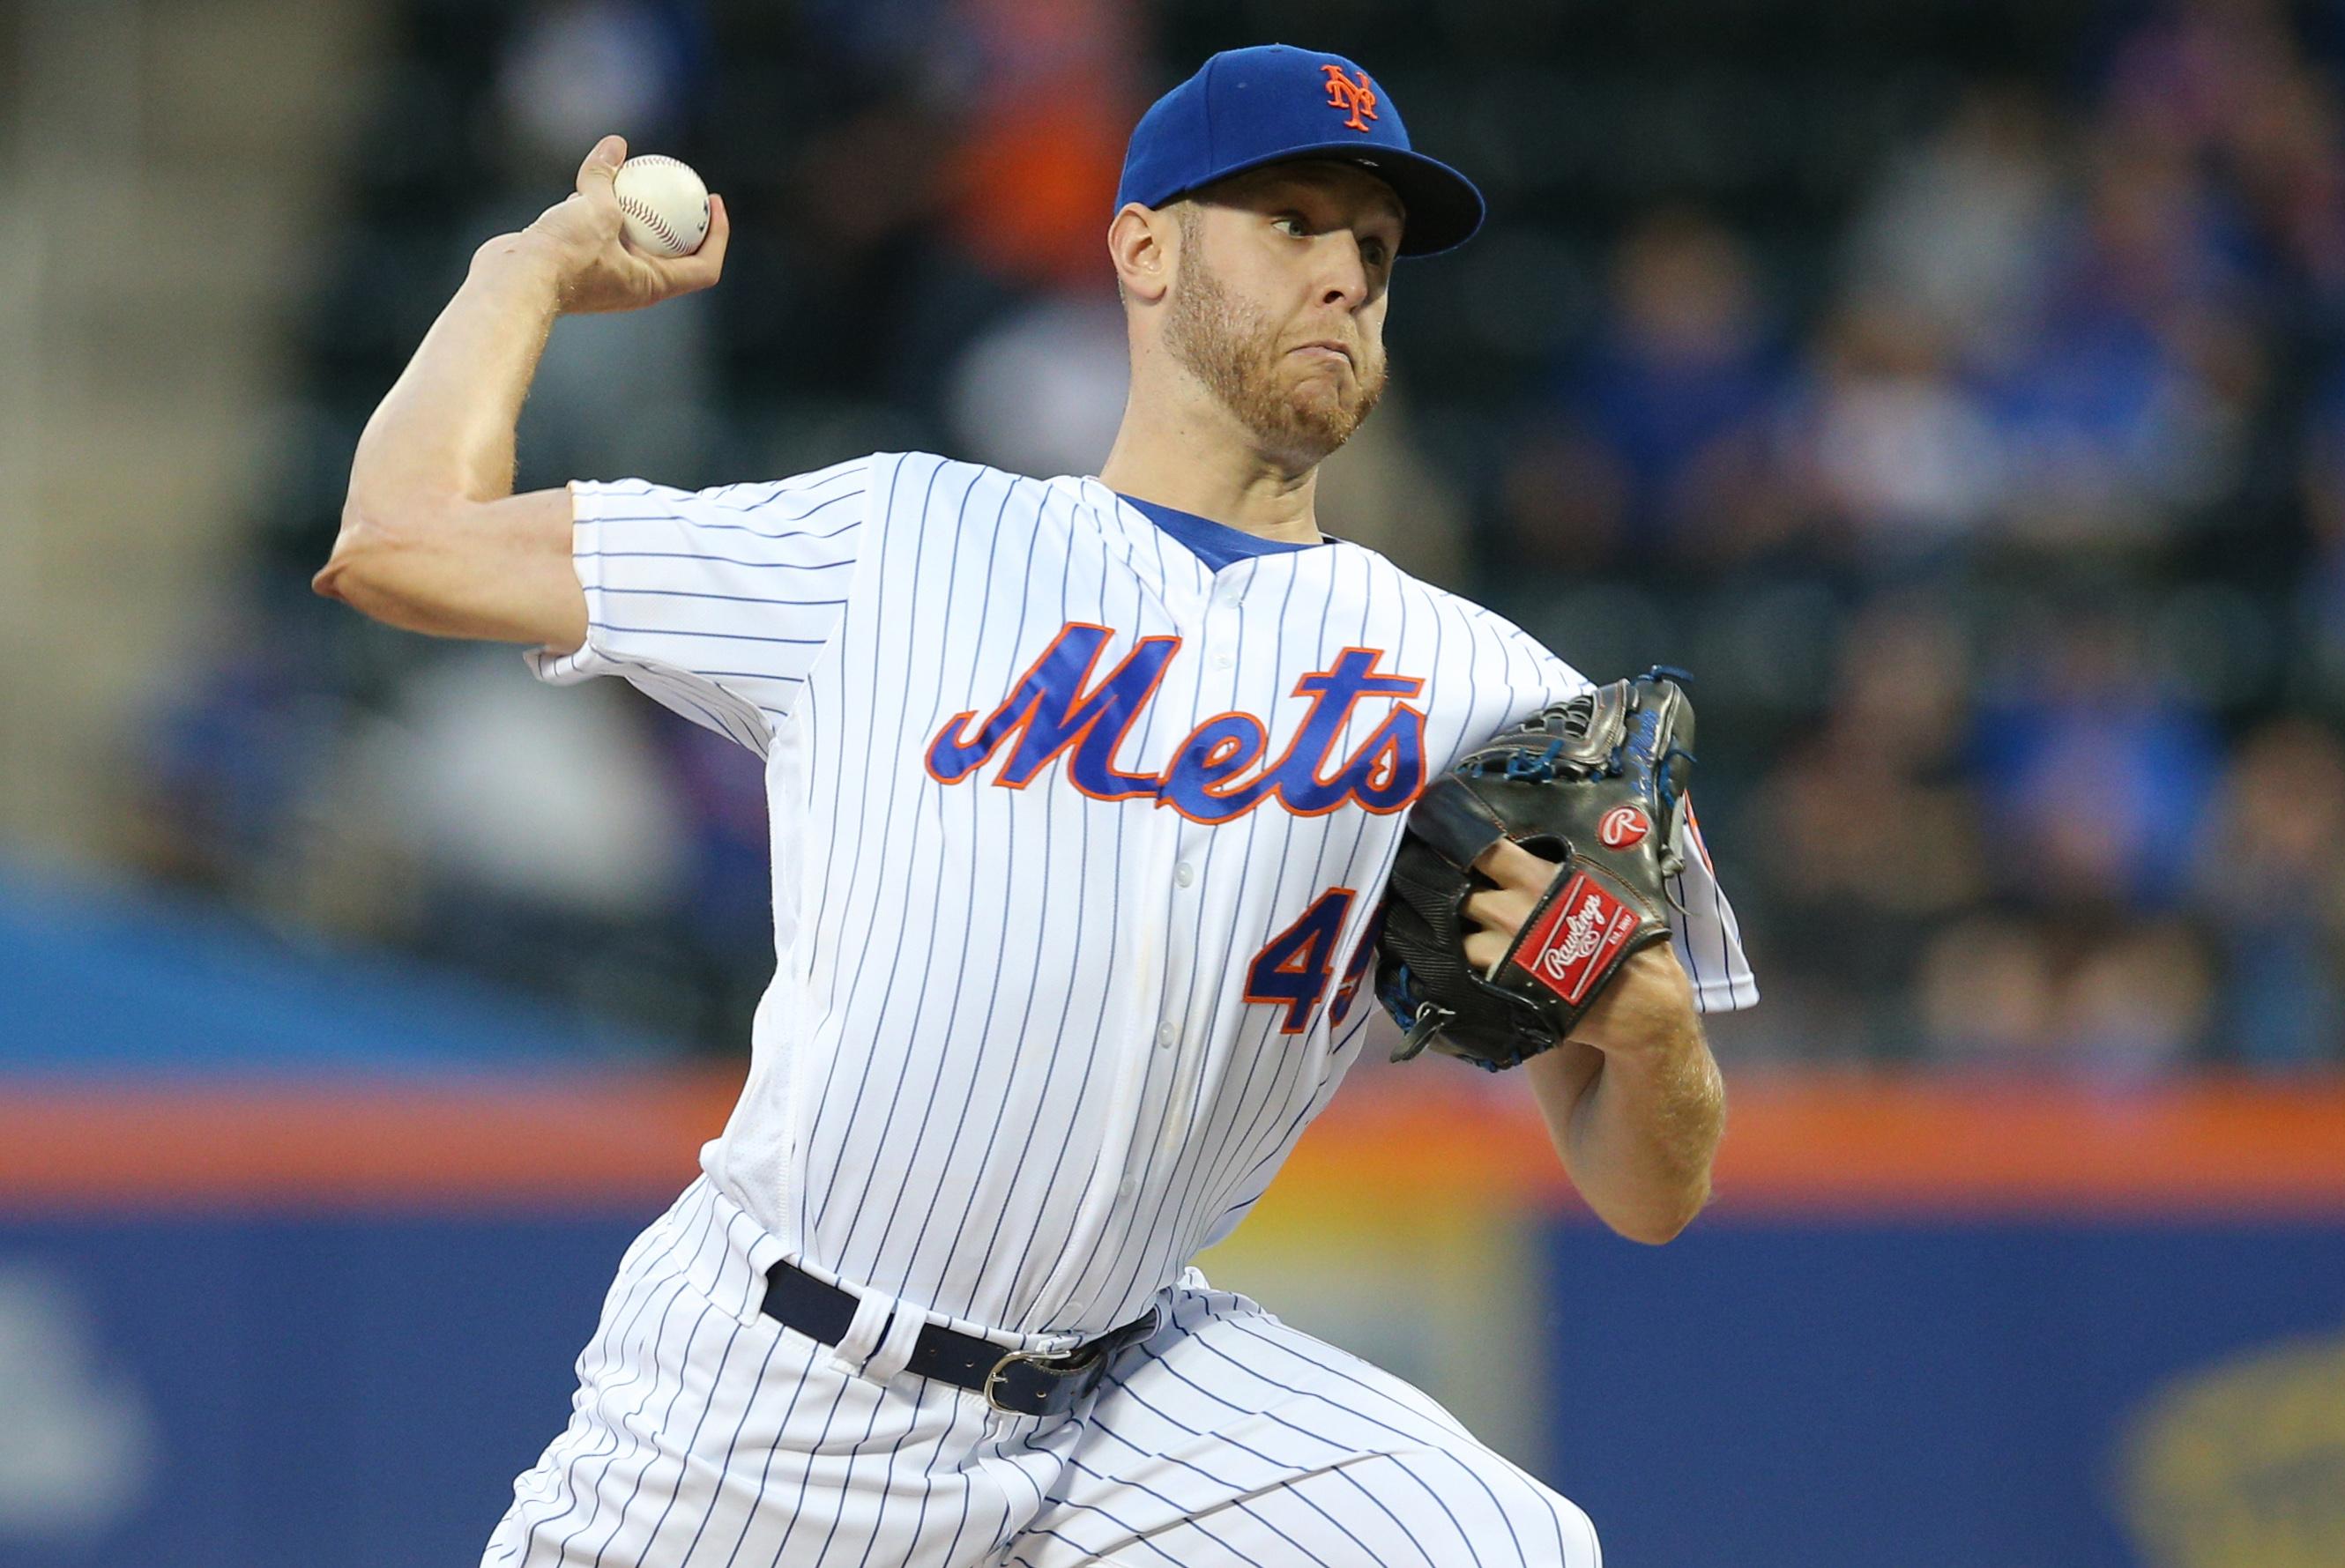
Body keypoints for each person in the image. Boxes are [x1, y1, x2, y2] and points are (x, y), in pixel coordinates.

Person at [316, 43, 1755, 1568]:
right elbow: (399, 542)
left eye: (1376, 248)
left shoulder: (1483, 686)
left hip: (1135, 1395)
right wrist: (522, 275)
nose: (1344, 273)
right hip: (780, 1392)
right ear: (1142, 246)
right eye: (1291, 221)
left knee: (1504, 1550)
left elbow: (1651, 1195)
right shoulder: (893, 539)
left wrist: (1649, 1023)